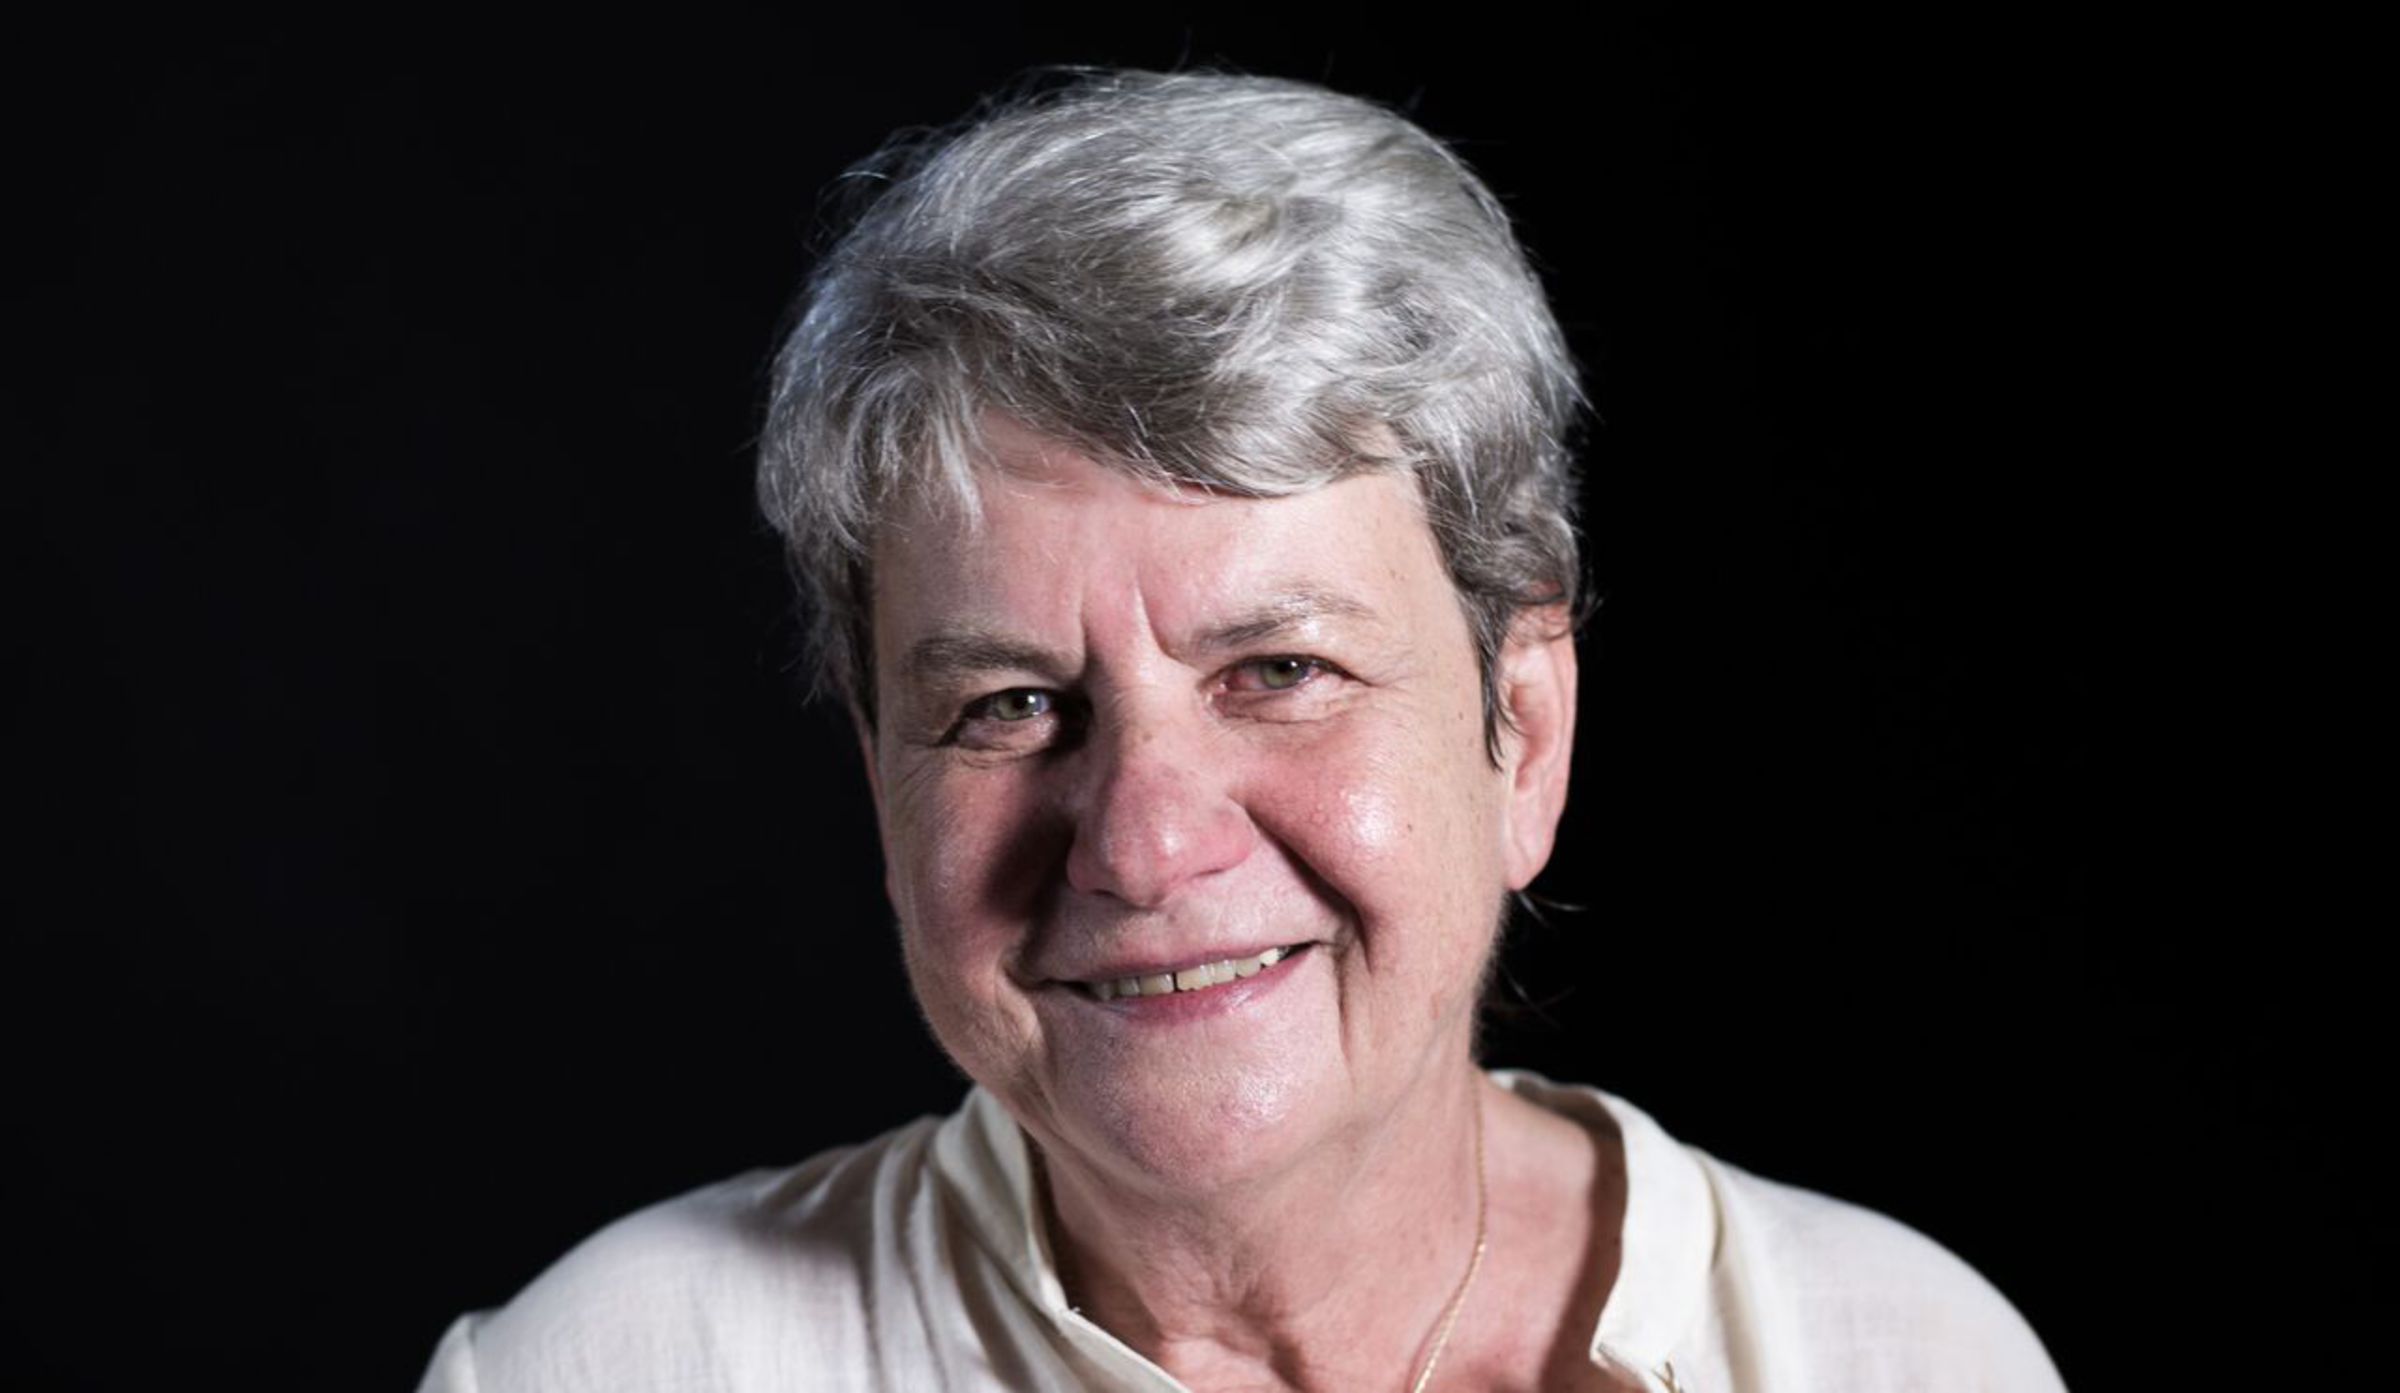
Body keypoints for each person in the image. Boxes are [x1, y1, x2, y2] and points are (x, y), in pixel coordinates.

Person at [416, 70, 2065, 1392]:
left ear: (1525, 727)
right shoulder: (609, 1366)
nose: (1140, 843)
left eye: (1278, 668)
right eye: (1009, 706)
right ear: (880, 783)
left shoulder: (1901, 1354)